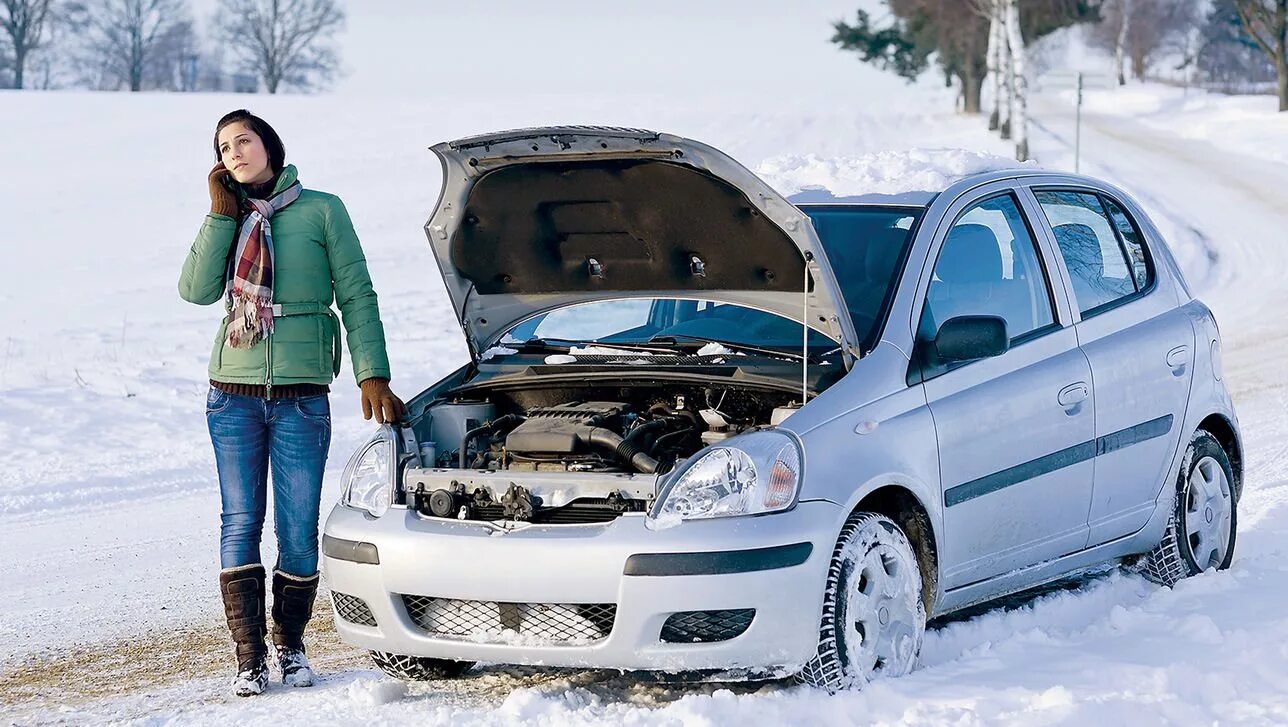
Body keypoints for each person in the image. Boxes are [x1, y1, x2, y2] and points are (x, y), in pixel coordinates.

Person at [179, 109, 407, 697]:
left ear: (269, 145)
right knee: (239, 523)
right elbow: (197, 291)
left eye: (243, 140)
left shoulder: (322, 209)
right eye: (223, 147)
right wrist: (218, 215)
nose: (234, 153)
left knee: (299, 528)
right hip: (231, 395)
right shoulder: (229, 218)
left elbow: (356, 293)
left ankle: (292, 647)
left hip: (302, 395)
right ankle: (248, 659)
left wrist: (371, 374)